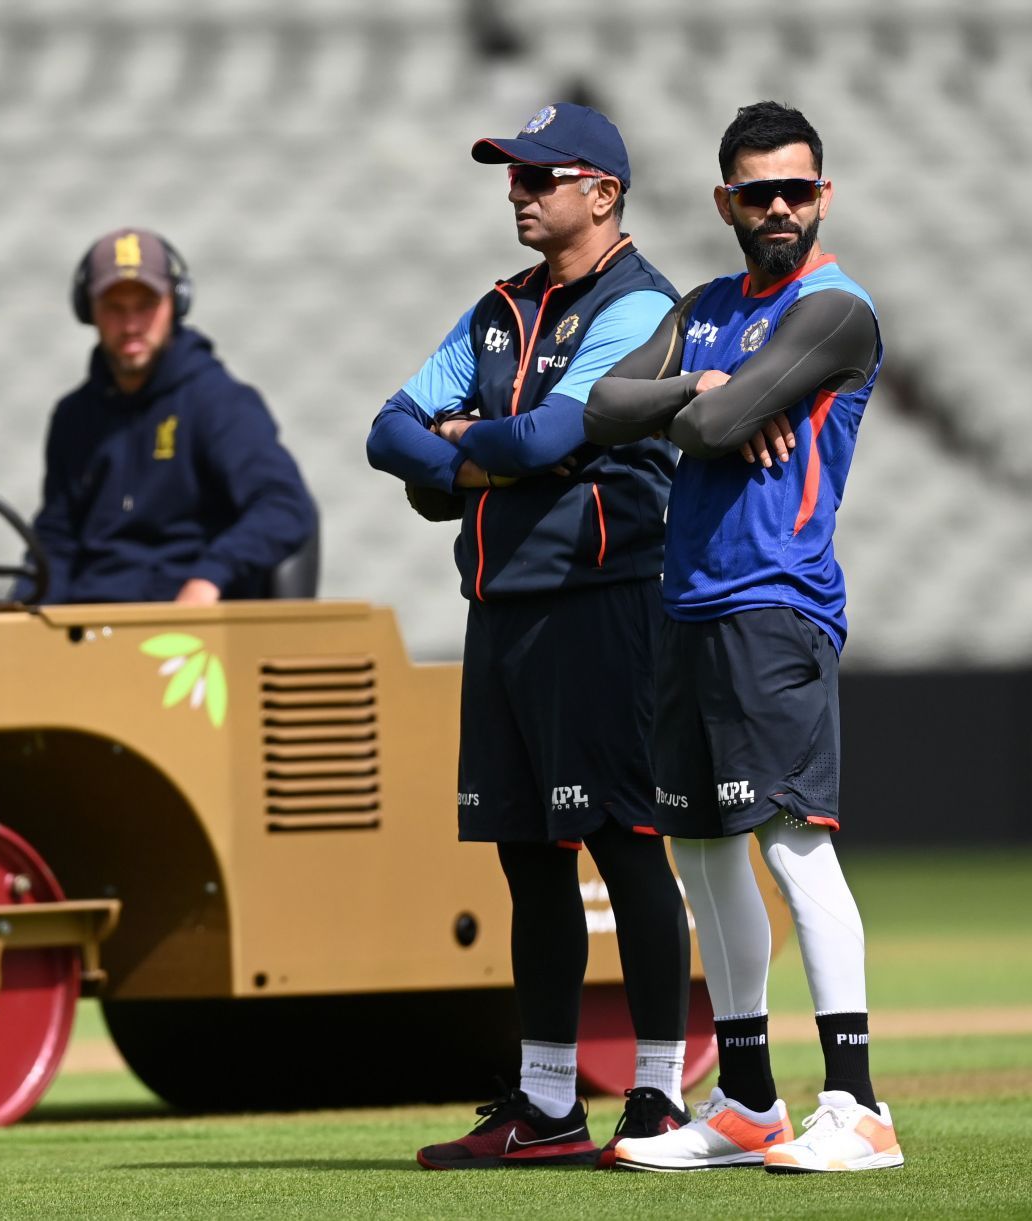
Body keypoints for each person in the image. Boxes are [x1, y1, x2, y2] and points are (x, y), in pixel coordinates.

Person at [366, 102, 694, 1170]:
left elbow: (563, 429)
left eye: (541, 177)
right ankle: (547, 1105)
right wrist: (482, 454)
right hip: (503, 603)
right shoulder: (499, 307)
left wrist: (463, 447)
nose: (519, 191)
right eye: (513, 176)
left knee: (626, 843)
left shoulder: (645, 305)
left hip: (604, 597)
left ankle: (657, 1095)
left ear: (603, 193)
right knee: (525, 855)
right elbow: (387, 429)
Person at [584, 101, 903, 1174]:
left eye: (797, 190)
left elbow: (703, 428)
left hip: (776, 604)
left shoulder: (837, 310)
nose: (778, 207)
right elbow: (602, 406)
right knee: (703, 850)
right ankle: (751, 1103)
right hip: (687, 606)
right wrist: (696, 390)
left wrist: (695, 407)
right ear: (725, 202)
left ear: (825, 196)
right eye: (757, 192)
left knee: (791, 845)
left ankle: (857, 1105)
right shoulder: (708, 305)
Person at [16, 228, 315, 606]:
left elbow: (285, 507)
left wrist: (208, 578)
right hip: (87, 630)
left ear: (176, 303)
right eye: (114, 307)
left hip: (184, 638)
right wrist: (21, 613)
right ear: (87, 310)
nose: (131, 325)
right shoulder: (73, 417)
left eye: (145, 305)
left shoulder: (219, 403)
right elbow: (56, 541)